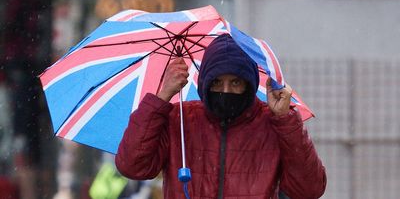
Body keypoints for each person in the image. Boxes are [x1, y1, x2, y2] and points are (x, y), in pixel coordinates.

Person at [115, 34, 327, 199]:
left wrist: (285, 120)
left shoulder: (271, 123)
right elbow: (132, 166)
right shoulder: (179, 119)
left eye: (235, 82)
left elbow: (309, 189)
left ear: (249, 84)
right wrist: (162, 98)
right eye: (217, 82)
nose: (225, 90)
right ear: (205, 82)